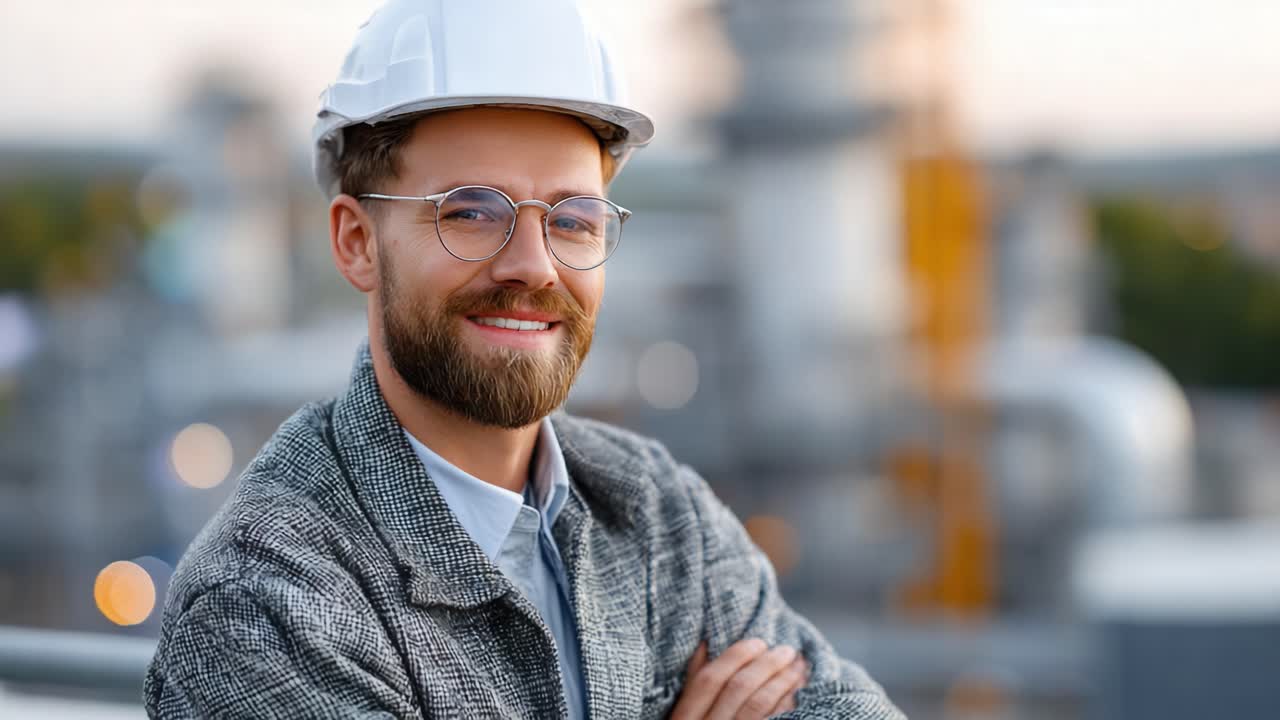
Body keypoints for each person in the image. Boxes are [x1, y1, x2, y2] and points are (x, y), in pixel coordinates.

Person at [144, 1, 904, 718]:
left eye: (573, 219)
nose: (535, 266)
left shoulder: (657, 510)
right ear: (355, 242)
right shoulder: (264, 603)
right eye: (472, 212)